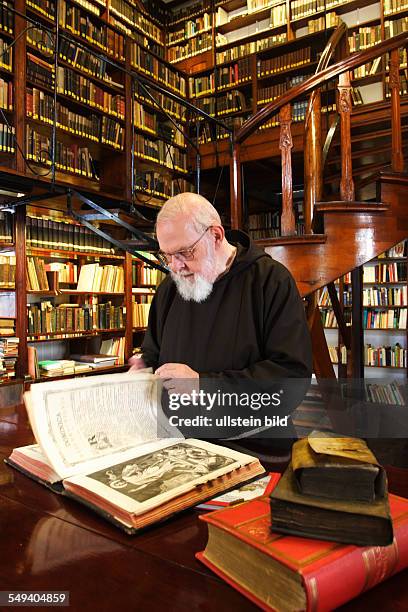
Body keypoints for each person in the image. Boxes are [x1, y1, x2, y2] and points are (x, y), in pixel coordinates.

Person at [129, 192, 312, 451]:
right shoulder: (169, 289)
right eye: (167, 256)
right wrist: (144, 365)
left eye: (184, 252)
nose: (175, 266)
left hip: (251, 445)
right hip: (177, 443)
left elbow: (291, 377)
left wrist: (204, 386)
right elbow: (154, 351)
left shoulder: (270, 281)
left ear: (215, 236)